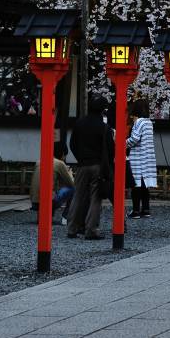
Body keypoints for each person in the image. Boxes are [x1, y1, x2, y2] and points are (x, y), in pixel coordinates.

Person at [67, 96, 114, 240]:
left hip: (82, 164)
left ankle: (72, 228)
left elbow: (73, 144)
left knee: (78, 196)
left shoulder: (79, 123)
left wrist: (80, 158)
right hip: (97, 165)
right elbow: (110, 149)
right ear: (102, 110)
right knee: (96, 198)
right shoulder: (104, 127)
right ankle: (91, 229)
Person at [126, 99, 157, 219]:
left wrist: (122, 143)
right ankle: (146, 209)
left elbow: (134, 139)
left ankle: (135, 211)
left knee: (136, 185)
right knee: (144, 186)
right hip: (148, 156)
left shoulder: (139, 122)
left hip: (138, 157)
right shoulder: (149, 122)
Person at [30, 144, 75, 224]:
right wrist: (69, 173)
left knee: (48, 190)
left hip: (34, 202)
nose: (64, 158)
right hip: (49, 202)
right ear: (62, 154)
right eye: (65, 155)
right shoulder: (60, 163)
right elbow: (71, 184)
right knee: (74, 189)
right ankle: (66, 217)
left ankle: (41, 218)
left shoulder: (39, 161)